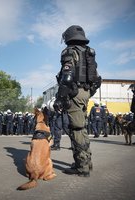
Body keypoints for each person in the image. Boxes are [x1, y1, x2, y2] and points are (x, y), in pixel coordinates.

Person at [53, 25, 101, 177]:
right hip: (85, 93)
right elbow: (96, 79)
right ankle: (87, 161)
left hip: (74, 93)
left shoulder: (70, 51)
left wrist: (60, 98)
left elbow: (67, 76)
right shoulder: (88, 53)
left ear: (68, 37)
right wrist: (87, 93)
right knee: (82, 128)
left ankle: (82, 167)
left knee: (76, 129)